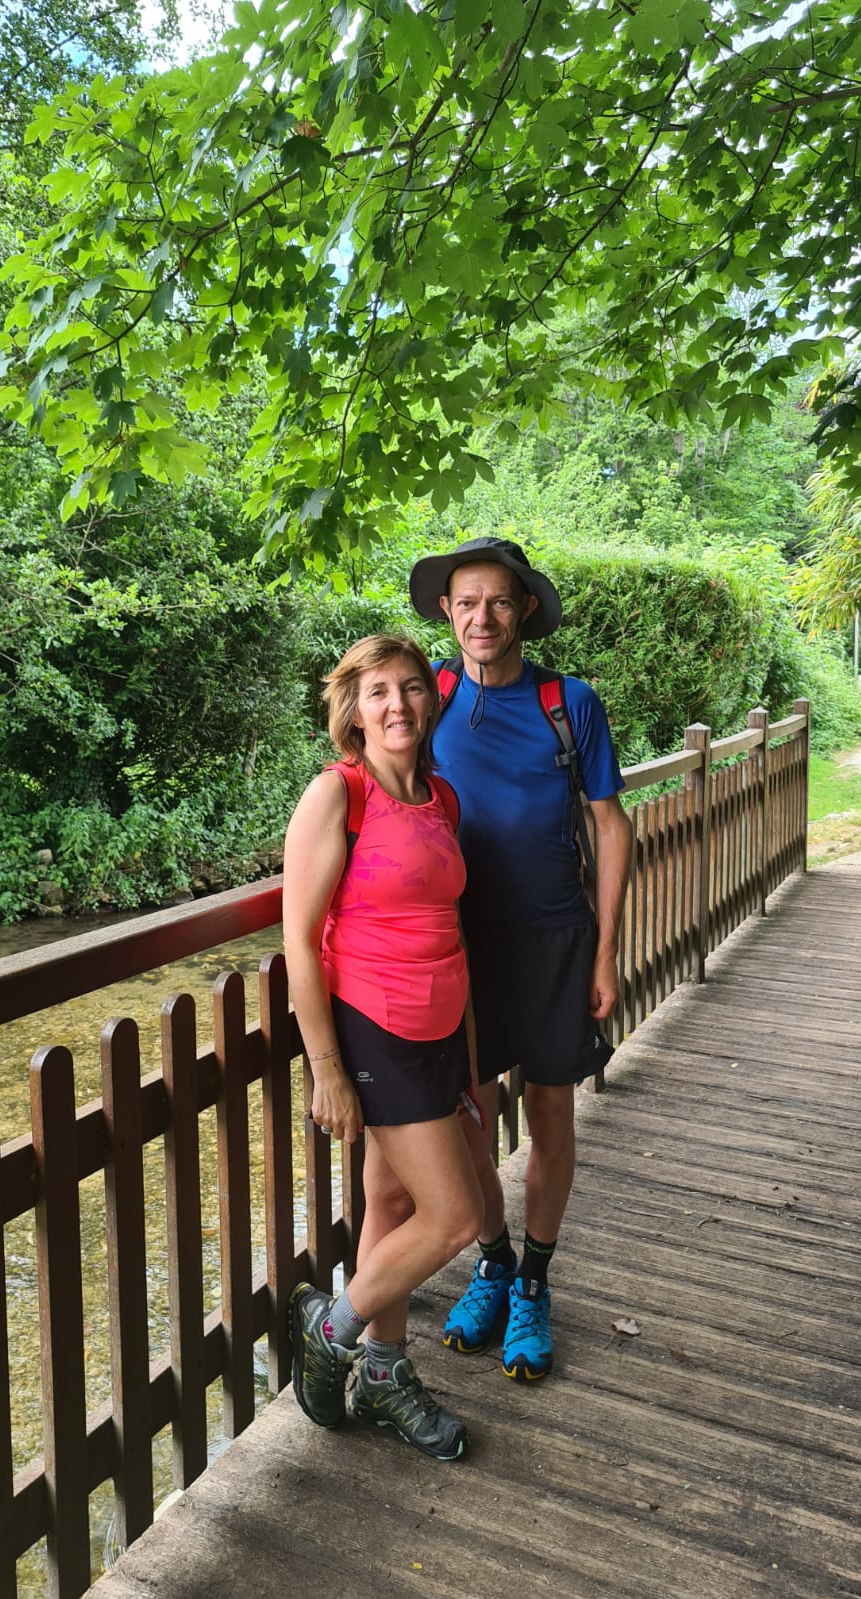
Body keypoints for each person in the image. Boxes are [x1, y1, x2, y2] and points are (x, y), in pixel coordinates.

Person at [407, 536, 633, 1382]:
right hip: (460, 947)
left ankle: (535, 1280)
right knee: (468, 1108)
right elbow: (380, 795)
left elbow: (611, 825)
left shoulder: (566, 703)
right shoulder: (423, 696)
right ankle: (493, 1261)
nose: (482, 617)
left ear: (524, 609)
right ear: (445, 611)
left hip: (555, 940)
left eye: (498, 601)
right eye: (466, 602)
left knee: (550, 1115)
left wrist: (606, 951)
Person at [283, 633, 484, 1460]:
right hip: (376, 1025)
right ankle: (329, 1333)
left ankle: (385, 1374)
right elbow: (299, 939)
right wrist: (327, 1067)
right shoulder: (338, 796)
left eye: (409, 688)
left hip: (439, 1028)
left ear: (429, 702)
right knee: (457, 1217)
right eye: (377, 692)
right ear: (353, 713)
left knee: (394, 1207)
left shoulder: (441, 798)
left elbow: (450, 928)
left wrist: (471, 1063)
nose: (396, 704)